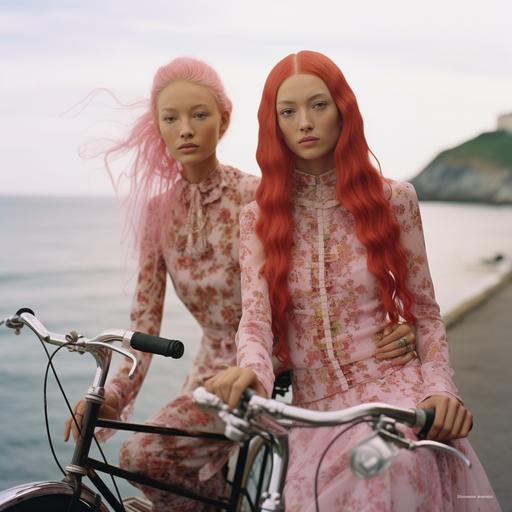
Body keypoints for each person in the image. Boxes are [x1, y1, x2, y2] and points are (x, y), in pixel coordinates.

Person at [63, 57, 418, 511]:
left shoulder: (260, 195)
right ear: (158, 127)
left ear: (224, 120)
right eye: (171, 118)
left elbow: (336, 270)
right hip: (210, 370)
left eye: (200, 115)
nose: (186, 129)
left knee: (139, 456)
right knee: (148, 461)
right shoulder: (158, 212)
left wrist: (400, 319)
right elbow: (143, 321)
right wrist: (114, 392)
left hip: (275, 365)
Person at [205, 51, 501, 511]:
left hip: (395, 394)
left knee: (391, 465)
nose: (305, 122)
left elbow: (424, 312)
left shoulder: (395, 200)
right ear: (274, 123)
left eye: (318, 105)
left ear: (343, 108)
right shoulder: (257, 219)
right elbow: (256, 321)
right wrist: (254, 371)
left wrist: (440, 390)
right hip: (313, 409)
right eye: (289, 111)